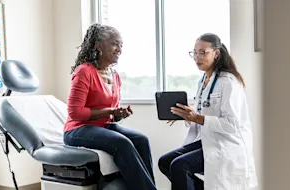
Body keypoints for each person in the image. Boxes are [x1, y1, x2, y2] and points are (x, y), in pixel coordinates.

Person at [158, 33, 258, 190]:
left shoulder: (228, 82)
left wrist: (197, 118)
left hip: (227, 144)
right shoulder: (204, 79)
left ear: (216, 53)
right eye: (195, 53)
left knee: (180, 166)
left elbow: (232, 124)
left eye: (203, 52)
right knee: (165, 162)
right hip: (207, 139)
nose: (197, 57)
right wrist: (186, 115)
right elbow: (204, 110)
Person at [63, 23, 157, 190]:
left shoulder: (115, 76)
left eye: (121, 45)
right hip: (78, 129)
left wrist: (118, 114)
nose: (119, 49)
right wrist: (110, 111)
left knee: (142, 140)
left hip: (104, 126)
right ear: (99, 46)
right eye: (114, 43)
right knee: (122, 143)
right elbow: (75, 112)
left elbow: (110, 114)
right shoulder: (84, 71)